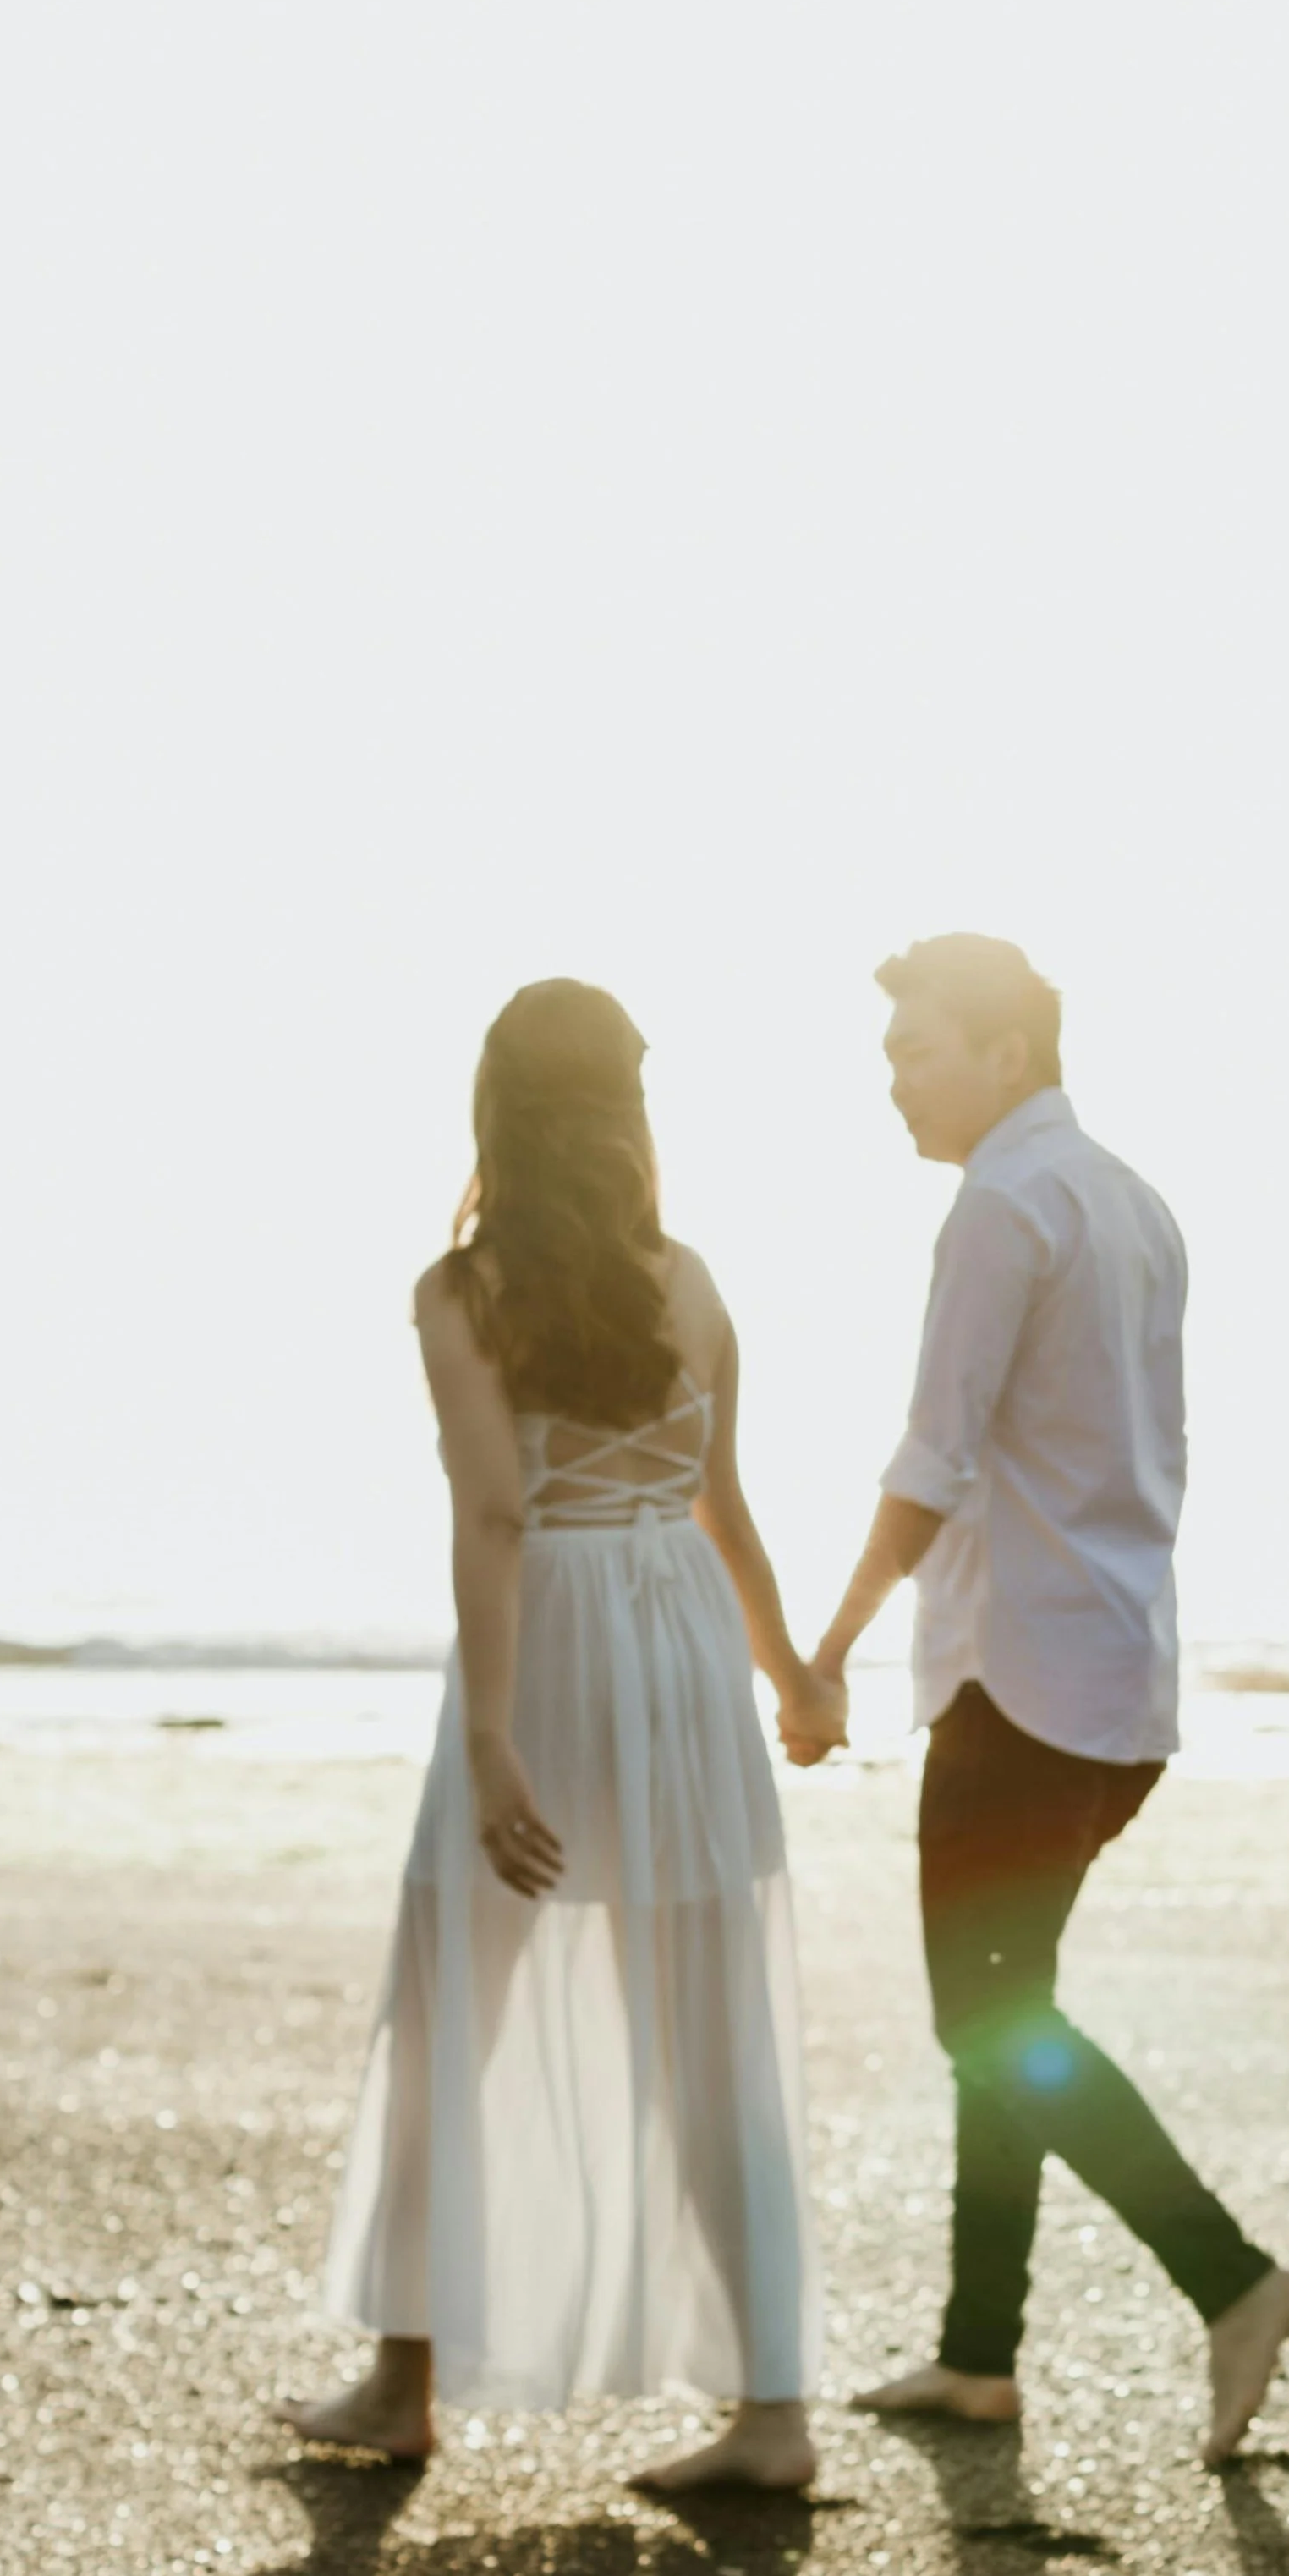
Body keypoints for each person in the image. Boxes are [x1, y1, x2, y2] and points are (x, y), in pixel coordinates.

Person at [284, 980, 830, 2492]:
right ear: (628, 1111)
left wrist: (496, 1744)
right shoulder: (693, 1280)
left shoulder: (464, 1293)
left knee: (448, 2009)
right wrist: (788, 1673)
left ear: (497, 1111)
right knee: (711, 2027)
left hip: (555, 1646)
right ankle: (774, 2415)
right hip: (681, 1639)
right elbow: (724, 1501)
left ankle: (403, 2383)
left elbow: (497, 1512)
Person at [782, 934, 1289, 2467]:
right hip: (1117, 1680)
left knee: (988, 2013)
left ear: (1009, 1053)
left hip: (1019, 1685)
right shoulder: (1134, 1201)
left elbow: (930, 1461)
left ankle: (1233, 2278)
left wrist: (821, 1656)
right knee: (1005, 2008)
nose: (896, 1078)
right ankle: (976, 2355)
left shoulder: (1005, 1206)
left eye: (919, 1049)